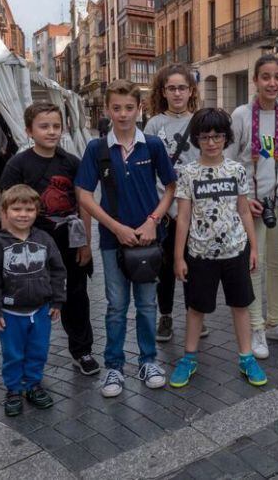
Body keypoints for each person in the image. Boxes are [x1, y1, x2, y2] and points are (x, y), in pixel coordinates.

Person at [76, 79, 176, 396]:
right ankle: (114, 367)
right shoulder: (97, 148)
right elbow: (84, 194)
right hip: (111, 242)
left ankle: (149, 361)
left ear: (139, 109)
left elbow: (171, 187)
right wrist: (115, 227)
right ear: (107, 109)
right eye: (116, 108)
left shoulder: (154, 146)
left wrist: (153, 221)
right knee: (116, 306)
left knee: (147, 305)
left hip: (149, 240)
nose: (123, 114)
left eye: (129, 108)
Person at [0, 102, 99, 377]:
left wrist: (87, 243)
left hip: (69, 242)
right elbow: (6, 208)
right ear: (29, 131)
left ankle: (82, 350)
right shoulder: (17, 165)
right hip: (31, 245)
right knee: (30, 300)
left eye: (56, 126)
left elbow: (84, 205)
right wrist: (11, 247)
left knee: (76, 297)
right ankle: (30, 361)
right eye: (44, 126)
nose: (51, 131)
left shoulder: (71, 162)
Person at [170, 108, 266, 387]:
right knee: (196, 308)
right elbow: (184, 218)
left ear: (226, 138)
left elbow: (245, 211)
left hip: (235, 251)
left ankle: (247, 357)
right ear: (196, 139)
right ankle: (189, 358)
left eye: (217, 136)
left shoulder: (236, 170)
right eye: (205, 137)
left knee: (241, 305)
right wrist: (178, 257)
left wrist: (254, 247)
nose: (211, 142)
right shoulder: (188, 173)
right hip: (200, 254)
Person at [226, 54, 278, 359]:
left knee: (277, 265)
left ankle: (276, 322)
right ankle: (257, 326)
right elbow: (230, 163)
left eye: (277, 77)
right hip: (253, 206)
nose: (272, 83)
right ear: (255, 80)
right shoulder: (242, 115)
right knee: (254, 267)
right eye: (265, 77)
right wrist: (243, 199)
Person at [0, 184, 66, 417]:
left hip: (40, 311)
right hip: (10, 314)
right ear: (5, 211)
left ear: (36, 211)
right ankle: (14, 390)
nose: (23, 214)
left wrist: (57, 301)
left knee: (38, 351)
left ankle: (33, 385)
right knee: (13, 354)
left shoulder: (45, 239)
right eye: (17, 209)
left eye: (29, 209)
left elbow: (58, 270)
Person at [144, 64, 205, 343]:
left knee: (194, 264)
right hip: (165, 209)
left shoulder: (200, 121)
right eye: (172, 88)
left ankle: (195, 313)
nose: (177, 93)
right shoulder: (154, 124)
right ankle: (165, 315)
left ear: (191, 91)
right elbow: (148, 168)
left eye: (182, 87)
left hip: (195, 207)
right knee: (166, 266)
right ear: (164, 92)